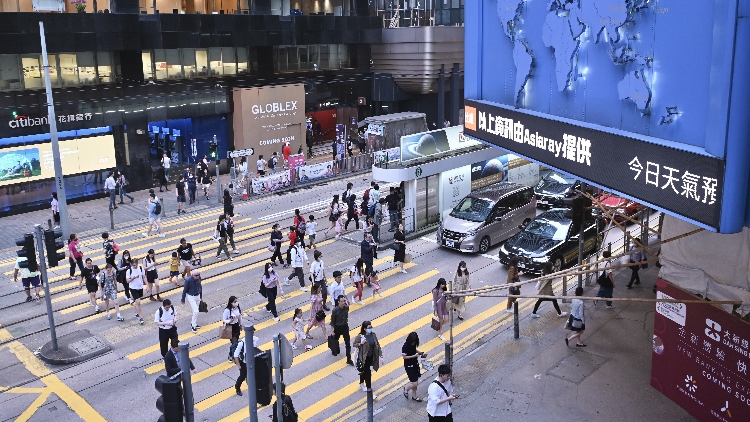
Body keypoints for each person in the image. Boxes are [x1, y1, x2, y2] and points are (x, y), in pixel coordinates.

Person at [356, 320, 383, 398]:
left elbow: (377, 345)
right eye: (369, 327)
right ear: (364, 329)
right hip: (364, 358)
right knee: (368, 373)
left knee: (364, 371)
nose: (370, 328)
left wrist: (381, 356)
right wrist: (360, 343)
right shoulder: (360, 336)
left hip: (372, 356)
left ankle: (361, 383)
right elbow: (354, 344)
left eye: (371, 327)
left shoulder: (373, 335)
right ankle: (370, 390)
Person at [330, 295, 355, 365]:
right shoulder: (335, 310)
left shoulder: (346, 308)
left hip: (345, 327)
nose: (344, 302)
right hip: (337, 328)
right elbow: (332, 322)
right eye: (342, 301)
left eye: (344, 301)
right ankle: (333, 349)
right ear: (338, 302)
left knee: (348, 343)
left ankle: (349, 359)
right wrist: (332, 331)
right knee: (335, 340)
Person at [402, 332, 426, 402]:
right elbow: (404, 357)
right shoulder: (405, 346)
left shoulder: (414, 344)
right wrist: (414, 356)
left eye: (414, 342)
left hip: (415, 363)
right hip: (409, 365)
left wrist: (421, 353)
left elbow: (414, 350)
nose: (413, 343)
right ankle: (406, 389)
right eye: (412, 342)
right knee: (414, 383)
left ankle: (414, 396)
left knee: (415, 381)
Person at [126, 258, 146, 324]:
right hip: (133, 288)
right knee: (138, 302)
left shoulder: (140, 268)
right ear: (132, 264)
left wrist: (147, 285)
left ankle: (136, 313)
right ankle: (141, 317)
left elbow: (144, 277)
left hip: (140, 287)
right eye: (134, 265)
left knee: (137, 302)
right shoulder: (129, 271)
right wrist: (133, 278)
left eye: (136, 264)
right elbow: (127, 281)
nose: (135, 266)